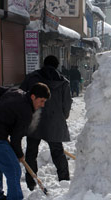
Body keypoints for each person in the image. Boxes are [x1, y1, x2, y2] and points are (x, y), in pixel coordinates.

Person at [0, 83, 50, 200]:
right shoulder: (26, 112)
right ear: (33, 97)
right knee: (14, 170)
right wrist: (20, 155)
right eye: (42, 101)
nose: (42, 105)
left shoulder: (16, 91)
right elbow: (16, 139)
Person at [20, 55, 72, 190]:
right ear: (57, 66)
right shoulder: (63, 82)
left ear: (43, 63)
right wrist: (63, 117)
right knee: (57, 152)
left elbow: (21, 95)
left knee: (31, 152)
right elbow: (66, 104)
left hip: (34, 120)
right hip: (55, 121)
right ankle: (64, 181)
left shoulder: (32, 78)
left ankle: (31, 182)